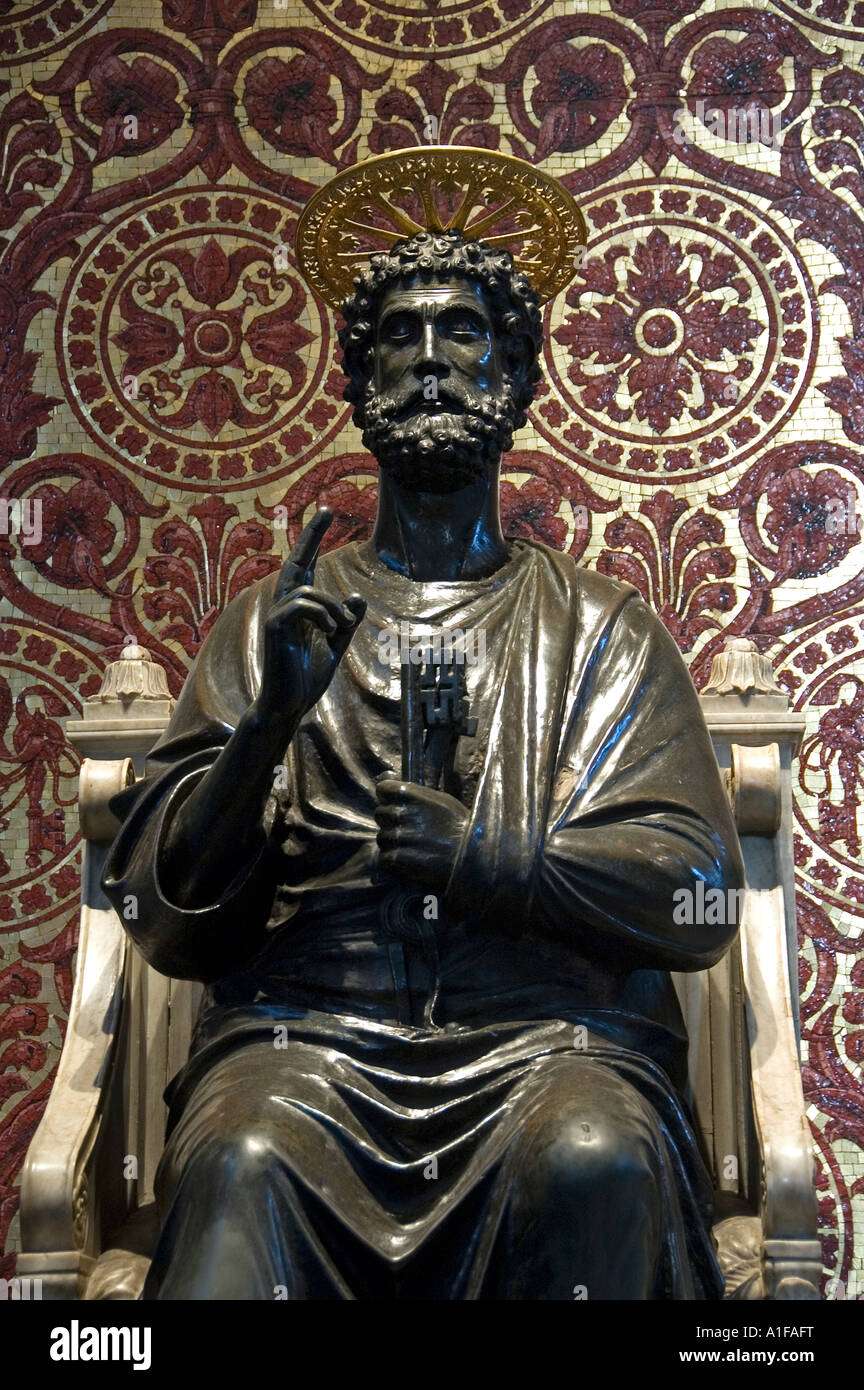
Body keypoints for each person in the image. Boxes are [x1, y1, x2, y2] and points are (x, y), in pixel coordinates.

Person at [103, 225, 745, 1301]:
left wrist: (501, 860)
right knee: (239, 1162)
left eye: (465, 330)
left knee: (595, 1154)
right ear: (359, 382)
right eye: (399, 335)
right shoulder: (273, 623)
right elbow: (166, 926)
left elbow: (702, 905)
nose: (432, 355)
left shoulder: (603, 631)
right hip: (305, 1053)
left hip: (552, 1051)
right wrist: (265, 727)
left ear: (520, 375)